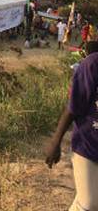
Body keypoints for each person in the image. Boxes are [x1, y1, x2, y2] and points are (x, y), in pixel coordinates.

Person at [45, 41, 98, 211]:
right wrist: (56, 141)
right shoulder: (92, 65)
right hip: (87, 145)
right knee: (89, 204)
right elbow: (72, 107)